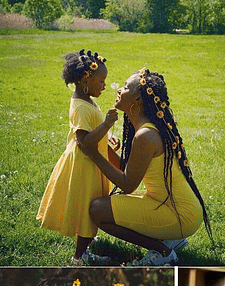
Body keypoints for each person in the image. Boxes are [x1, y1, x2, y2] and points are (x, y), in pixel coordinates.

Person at [76, 68, 212, 266]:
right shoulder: (147, 128)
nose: (119, 90)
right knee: (106, 203)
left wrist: (93, 153)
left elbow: (128, 184)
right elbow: (129, 170)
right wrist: (102, 147)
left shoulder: (145, 136)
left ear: (138, 101)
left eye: (125, 87)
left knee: (97, 209)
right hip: (174, 206)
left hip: (180, 214)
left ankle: (163, 250)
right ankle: (170, 238)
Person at [37, 49, 119, 265]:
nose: (103, 85)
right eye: (101, 81)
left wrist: (108, 135)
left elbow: (91, 129)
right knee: (86, 206)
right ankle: (79, 257)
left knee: (90, 204)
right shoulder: (81, 107)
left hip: (91, 162)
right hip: (85, 165)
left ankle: (87, 243)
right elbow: (84, 141)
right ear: (86, 79)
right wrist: (107, 124)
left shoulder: (87, 100)